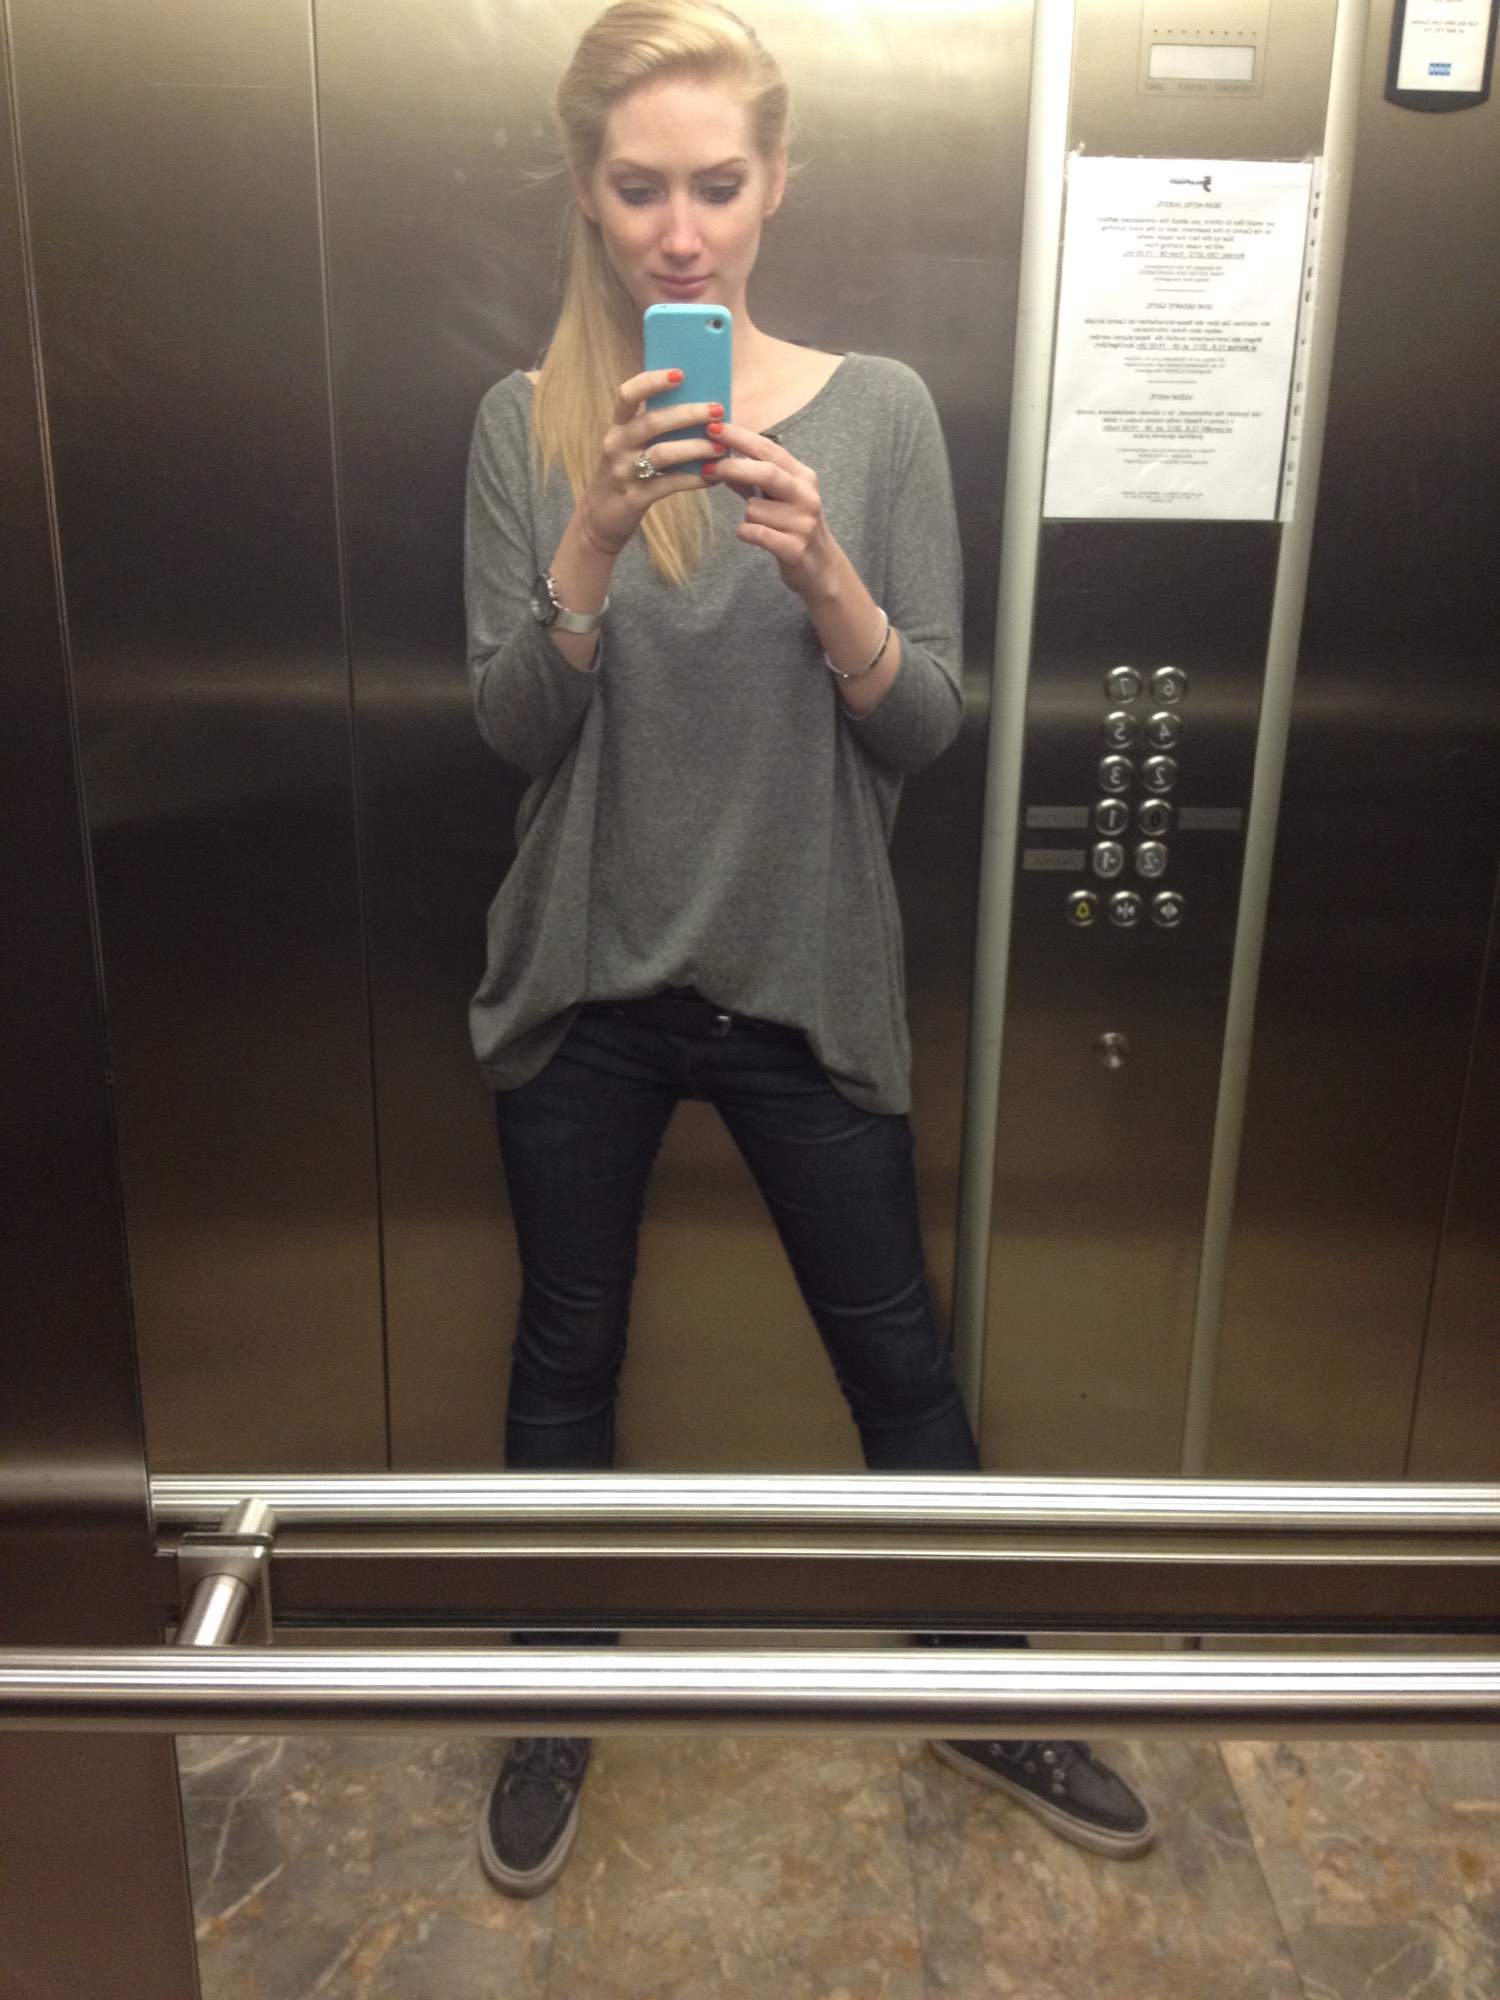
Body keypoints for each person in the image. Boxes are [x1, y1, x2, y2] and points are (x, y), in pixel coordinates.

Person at [463, 0, 1154, 1899]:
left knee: (898, 1360)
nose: (680, 231)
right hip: (586, 985)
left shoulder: (883, 414)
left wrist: (827, 572)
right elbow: (511, 730)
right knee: (564, 1361)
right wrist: (591, 547)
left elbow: (924, 724)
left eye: (717, 184)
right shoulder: (526, 424)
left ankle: (983, 1685)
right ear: (588, 195)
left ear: (776, 184)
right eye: (639, 189)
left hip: (805, 976)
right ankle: (553, 1694)